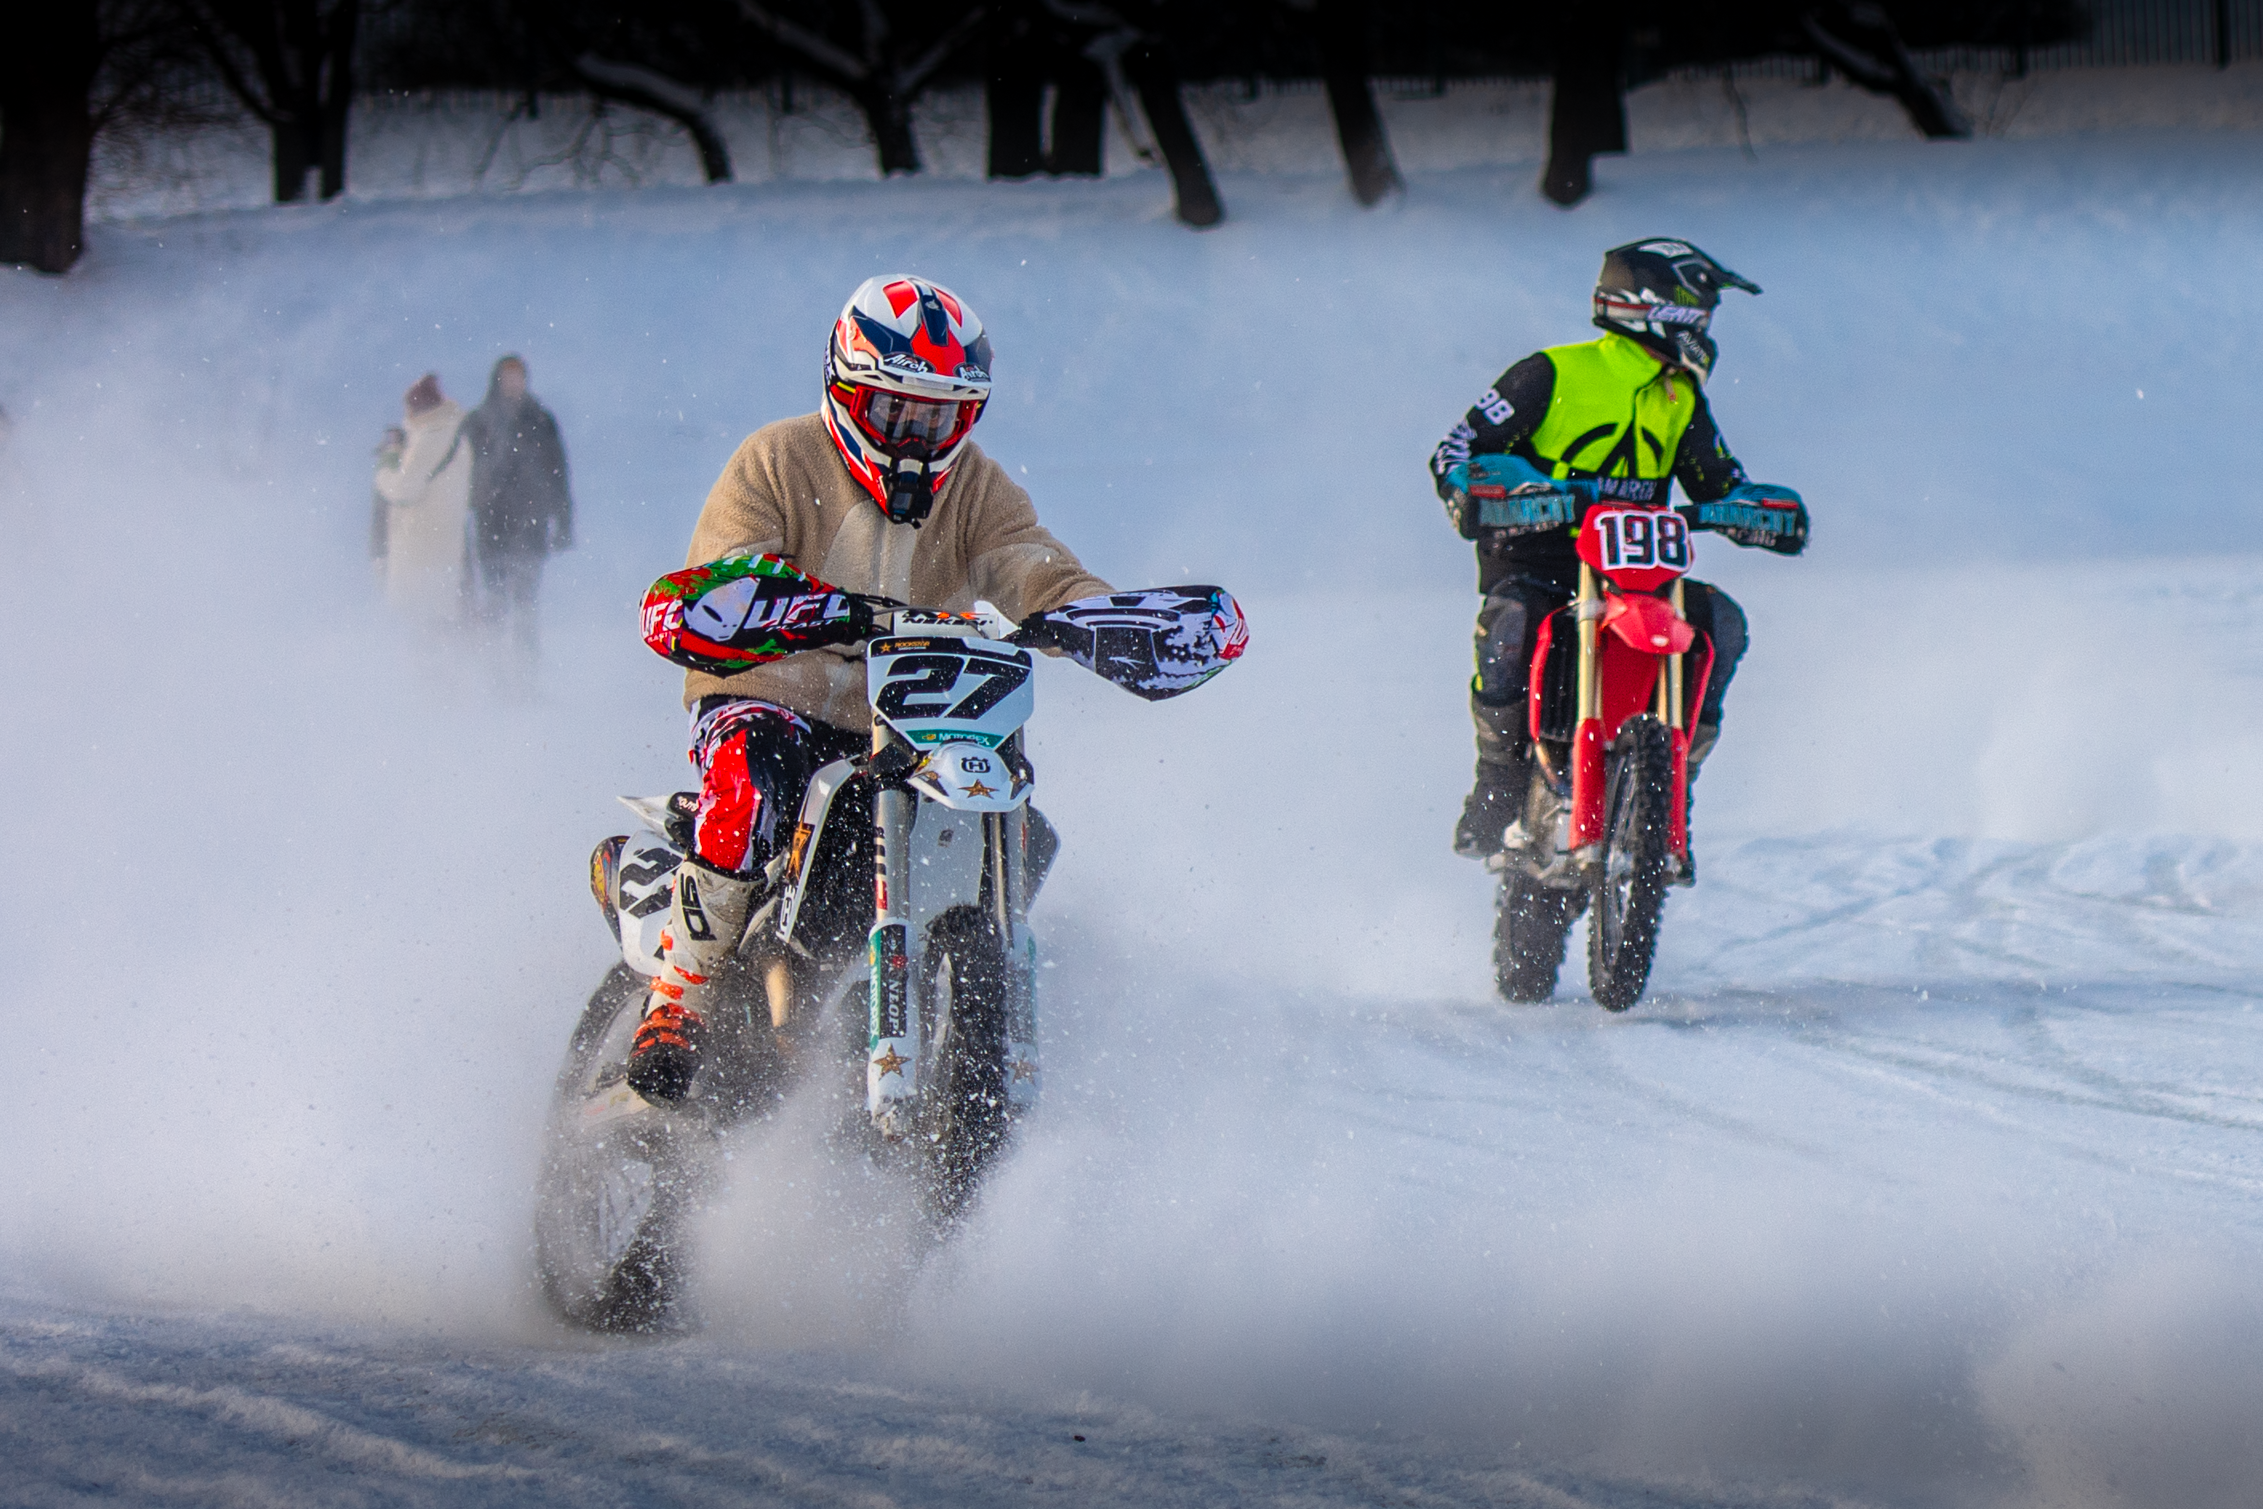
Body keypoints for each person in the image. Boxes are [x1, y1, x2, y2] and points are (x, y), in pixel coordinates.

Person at [624, 275, 1233, 1106]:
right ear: (846, 391)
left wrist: (1093, 619)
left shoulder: (978, 486)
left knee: (1022, 827)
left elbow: (1032, 563)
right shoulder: (775, 458)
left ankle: (928, 1028)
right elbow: (721, 581)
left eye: (940, 417)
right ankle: (678, 999)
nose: (917, 435)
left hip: (911, 712)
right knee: (753, 773)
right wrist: (813, 608)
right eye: (895, 409)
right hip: (770, 693)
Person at [1429, 237, 1809, 861]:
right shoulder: (1551, 372)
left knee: (1722, 623)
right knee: (1513, 624)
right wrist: (1477, 490)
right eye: (1701, 313)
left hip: (1638, 575)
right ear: (1658, 307)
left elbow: (1720, 483)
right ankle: (1496, 784)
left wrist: (1757, 511)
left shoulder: (1680, 397)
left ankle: (1672, 789)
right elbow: (1457, 450)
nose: (1705, 329)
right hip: (1540, 559)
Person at [461, 355, 573, 662]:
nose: (514, 383)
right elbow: (461, 474)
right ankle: (496, 673)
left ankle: (526, 673)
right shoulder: (479, 422)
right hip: (491, 523)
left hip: (531, 524)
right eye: (508, 377)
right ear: (497, 381)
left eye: (519, 377)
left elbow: (558, 472)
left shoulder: (540, 420)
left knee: (526, 606)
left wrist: (564, 523)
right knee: (495, 603)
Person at [371, 374, 472, 627]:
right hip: (444, 541)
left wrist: (386, 466)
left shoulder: (430, 437)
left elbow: (405, 490)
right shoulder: (455, 435)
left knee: (421, 626)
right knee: (438, 622)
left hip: (422, 544)